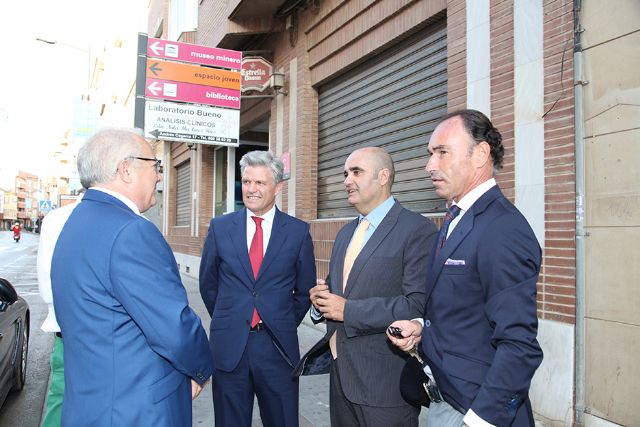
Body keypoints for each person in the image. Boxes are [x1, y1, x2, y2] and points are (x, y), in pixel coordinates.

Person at [388, 109, 543, 426]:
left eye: (442, 152)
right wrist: (421, 327)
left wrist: (481, 420)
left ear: (481, 154)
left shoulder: (502, 229)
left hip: (473, 412)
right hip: (443, 400)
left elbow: (519, 346)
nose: (430, 165)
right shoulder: (456, 218)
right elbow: (466, 306)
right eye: (431, 154)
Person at [51, 127, 212, 426]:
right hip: (134, 411)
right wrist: (202, 367)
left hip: (91, 407)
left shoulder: (75, 223)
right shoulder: (131, 231)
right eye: (155, 166)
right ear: (126, 169)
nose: (159, 176)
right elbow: (173, 327)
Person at [295, 147, 438, 427]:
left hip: (385, 384)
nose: (347, 180)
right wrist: (319, 303)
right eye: (345, 173)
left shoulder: (417, 230)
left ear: (383, 176)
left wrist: (347, 310)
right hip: (340, 379)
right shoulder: (346, 232)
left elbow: (416, 305)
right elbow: (339, 295)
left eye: (356, 172)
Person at [199, 150, 316, 427]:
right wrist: (231, 318)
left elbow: (304, 291)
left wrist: (280, 319)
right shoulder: (220, 227)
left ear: (278, 187)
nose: (251, 189)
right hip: (230, 349)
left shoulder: (298, 232)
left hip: (277, 347)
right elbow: (208, 284)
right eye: (247, 182)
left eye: (260, 183)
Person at [37, 192, 83, 427]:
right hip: (107, 341)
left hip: (66, 335)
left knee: (60, 403)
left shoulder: (56, 218)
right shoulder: (132, 220)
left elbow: (47, 285)